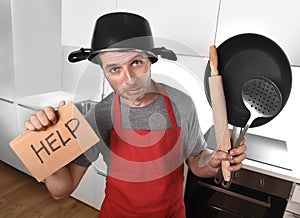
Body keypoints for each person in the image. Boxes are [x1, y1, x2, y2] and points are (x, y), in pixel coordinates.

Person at [24, 12, 246, 217]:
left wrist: (213, 161)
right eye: (114, 69)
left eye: (136, 63)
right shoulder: (99, 116)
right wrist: (47, 156)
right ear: (104, 72)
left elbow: (197, 162)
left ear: (150, 61)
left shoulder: (182, 104)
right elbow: (62, 189)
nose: (128, 78)